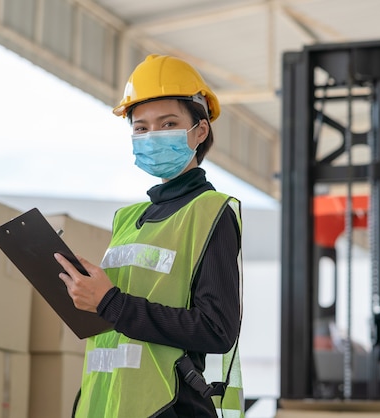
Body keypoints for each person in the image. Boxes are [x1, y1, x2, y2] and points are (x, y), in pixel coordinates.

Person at [54, 54, 244, 418]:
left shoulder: (211, 211)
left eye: (168, 123)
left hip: (169, 407)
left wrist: (109, 301)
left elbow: (216, 330)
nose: (151, 136)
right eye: (140, 128)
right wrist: (86, 293)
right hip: (106, 404)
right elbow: (119, 315)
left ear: (200, 131)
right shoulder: (126, 219)